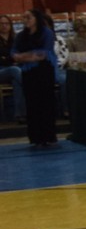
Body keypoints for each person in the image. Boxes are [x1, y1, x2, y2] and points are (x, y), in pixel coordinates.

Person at [12, 8, 58, 147]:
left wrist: (24, 56)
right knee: (32, 103)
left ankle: (49, 135)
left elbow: (43, 54)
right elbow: (14, 53)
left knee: (46, 103)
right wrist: (29, 56)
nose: (25, 20)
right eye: (23, 18)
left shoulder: (46, 33)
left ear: (36, 18)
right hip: (28, 72)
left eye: (28, 17)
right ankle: (35, 137)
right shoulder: (21, 35)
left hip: (44, 71)